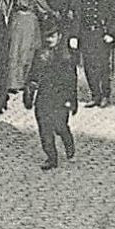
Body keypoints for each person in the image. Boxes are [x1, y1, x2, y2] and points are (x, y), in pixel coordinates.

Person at [24, 26, 78, 170]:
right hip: (44, 97)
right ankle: (51, 157)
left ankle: (68, 143)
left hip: (60, 98)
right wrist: (29, 92)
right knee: (45, 128)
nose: (49, 40)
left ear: (59, 37)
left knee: (60, 127)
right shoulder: (40, 54)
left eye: (52, 36)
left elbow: (72, 81)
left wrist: (71, 101)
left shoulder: (66, 56)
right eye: (47, 37)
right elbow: (33, 74)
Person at [0, 0, 52, 98]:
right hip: (16, 22)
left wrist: (47, 16)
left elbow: (43, 9)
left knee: (27, 51)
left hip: (29, 23)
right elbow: (3, 6)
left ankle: (26, 81)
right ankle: (14, 82)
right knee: (13, 50)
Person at [72, 0, 115, 107]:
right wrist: (75, 36)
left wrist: (111, 33)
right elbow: (78, 16)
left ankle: (105, 94)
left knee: (103, 66)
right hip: (87, 34)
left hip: (102, 34)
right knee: (89, 66)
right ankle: (95, 95)